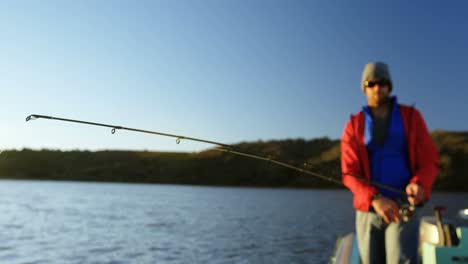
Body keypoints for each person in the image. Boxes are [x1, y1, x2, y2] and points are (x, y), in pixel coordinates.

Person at [340, 62, 439, 264]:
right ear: (364, 88)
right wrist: (374, 198)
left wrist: (419, 184)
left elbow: (429, 160)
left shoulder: (411, 117)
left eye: (383, 82)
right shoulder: (353, 125)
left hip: (404, 205)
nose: (377, 88)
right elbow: (349, 173)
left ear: (389, 86)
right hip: (369, 209)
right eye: (372, 83)